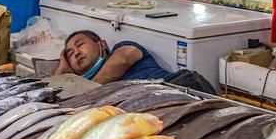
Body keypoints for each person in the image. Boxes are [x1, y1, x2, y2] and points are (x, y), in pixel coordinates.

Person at [54, 30, 216, 93]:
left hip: (176, 87)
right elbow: (51, 93)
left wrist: (87, 93)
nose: (76, 53)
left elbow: (123, 61)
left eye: (80, 45)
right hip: (141, 110)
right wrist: (62, 67)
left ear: (101, 44)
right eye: (69, 53)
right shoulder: (82, 84)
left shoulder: (123, 48)